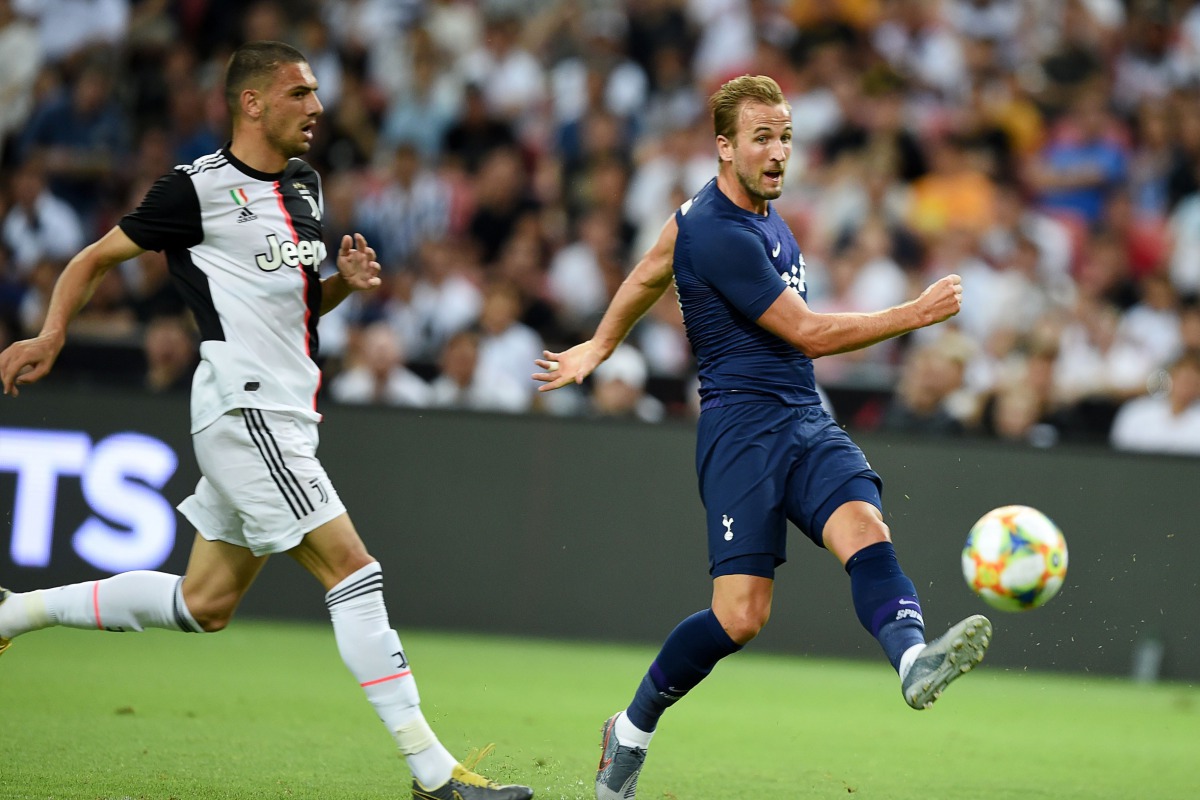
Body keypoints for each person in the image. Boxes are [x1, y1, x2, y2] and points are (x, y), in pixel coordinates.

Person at [0, 41, 532, 800]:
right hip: (243, 408)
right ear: (252, 102)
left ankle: (17, 612)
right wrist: (52, 333)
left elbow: (294, 306)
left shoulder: (306, 185)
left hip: (285, 410)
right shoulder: (195, 188)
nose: (317, 108)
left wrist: (340, 287)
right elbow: (91, 260)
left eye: (315, 94)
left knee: (203, 603)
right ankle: (433, 773)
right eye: (299, 93)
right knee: (354, 569)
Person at [533, 75, 992, 800]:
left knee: (865, 528)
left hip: (805, 419)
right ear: (724, 146)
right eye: (762, 138)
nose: (778, 153)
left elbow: (650, 272)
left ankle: (912, 662)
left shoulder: (754, 217)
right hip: (741, 433)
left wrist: (598, 343)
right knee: (741, 617)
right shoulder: (714, 229)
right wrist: (915, 313)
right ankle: (630, 727)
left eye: (785, 138)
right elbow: (805, 332)